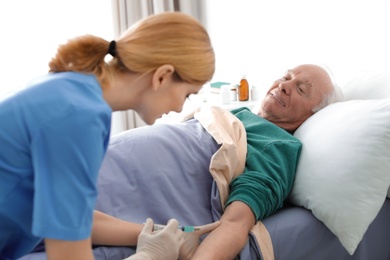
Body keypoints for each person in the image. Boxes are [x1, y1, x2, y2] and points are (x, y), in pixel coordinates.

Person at [0, 11, 216, 260]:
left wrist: (160, 233)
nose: (181, 108)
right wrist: (150, 256)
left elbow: (74, 217)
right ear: (162, 76)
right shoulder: (79, 117)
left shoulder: (73, 92)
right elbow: (68, 255)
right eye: (188, 94)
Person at [86, 63, 343, 259]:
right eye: (287, 77)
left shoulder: (279, 144)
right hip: (102, 161)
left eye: (301, 89)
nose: (285, 85)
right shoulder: (235, 114)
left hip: (124, 184)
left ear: (312, 116)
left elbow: (235, 222)